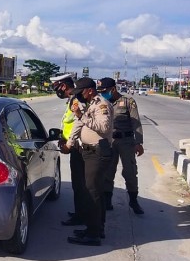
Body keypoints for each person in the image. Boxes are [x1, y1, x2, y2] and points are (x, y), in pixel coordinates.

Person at [65, 77, 114, 246]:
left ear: (90, 90)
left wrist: (81, 116)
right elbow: (79, 123)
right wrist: (70, 142)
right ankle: (95, 228)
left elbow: (104, 127)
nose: (79, 96)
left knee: (92, 191)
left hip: (98, 151)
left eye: (81, 92)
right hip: (89, 151)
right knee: (94, 191)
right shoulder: (89, 103)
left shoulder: (102, 105)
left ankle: (93, 234)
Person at [97, 77, 145, 214]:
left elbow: (136, 123)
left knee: (130, 171)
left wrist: (139, 142)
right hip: (109, 141)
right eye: (100, 91)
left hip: (126, 142)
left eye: (104, 91)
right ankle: (107, 201)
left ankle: (133, 200)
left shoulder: (128, 102)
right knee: (108, 172)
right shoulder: (101, 103)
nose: (102, 94)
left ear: (113, 89)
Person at [50, 73, 88, 227]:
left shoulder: (77, 100)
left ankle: (82, 216)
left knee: (80, 184)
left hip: (78, 147)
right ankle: (80, 212)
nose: (56, 91)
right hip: (73, 145)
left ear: (64, 86)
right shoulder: (72, 99)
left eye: (56, 87)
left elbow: (80, 123)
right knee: (78, 183)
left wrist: (69, 143)